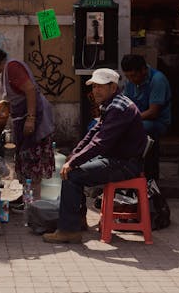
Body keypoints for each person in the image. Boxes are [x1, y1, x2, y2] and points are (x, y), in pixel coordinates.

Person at [43, 67, 147, 244]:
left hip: (125, 164)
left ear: (113, 88)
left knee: (72, 175)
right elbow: (93, 133)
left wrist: (73, 162)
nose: (95, 91)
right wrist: (74, 156)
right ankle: (77, 221)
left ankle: (69, 230)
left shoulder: (119, 108)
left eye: (100, 86)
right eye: (94, 87)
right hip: (115, 159)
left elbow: (101, 143)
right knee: (74, 168)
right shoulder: (111, 104)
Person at [0, 44, 55, 204]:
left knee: (33, 164)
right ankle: (27, 197)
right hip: (23, 120)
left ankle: (34, 203)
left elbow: (30, 89)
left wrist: (31, 119)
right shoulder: (5, 72)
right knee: (24, 163)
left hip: (36, 120)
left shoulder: (12, 67)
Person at [121, 53, 171, 180]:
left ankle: (148, 175)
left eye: (134, 76)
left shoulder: (157, 80)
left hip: (157, 122)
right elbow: (125, 103)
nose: (131, 79)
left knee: (138, 129)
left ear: (143, 70)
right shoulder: (130, 81)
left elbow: (153, 112)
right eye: (128, 76)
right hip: (137, 119)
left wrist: (130, 119)